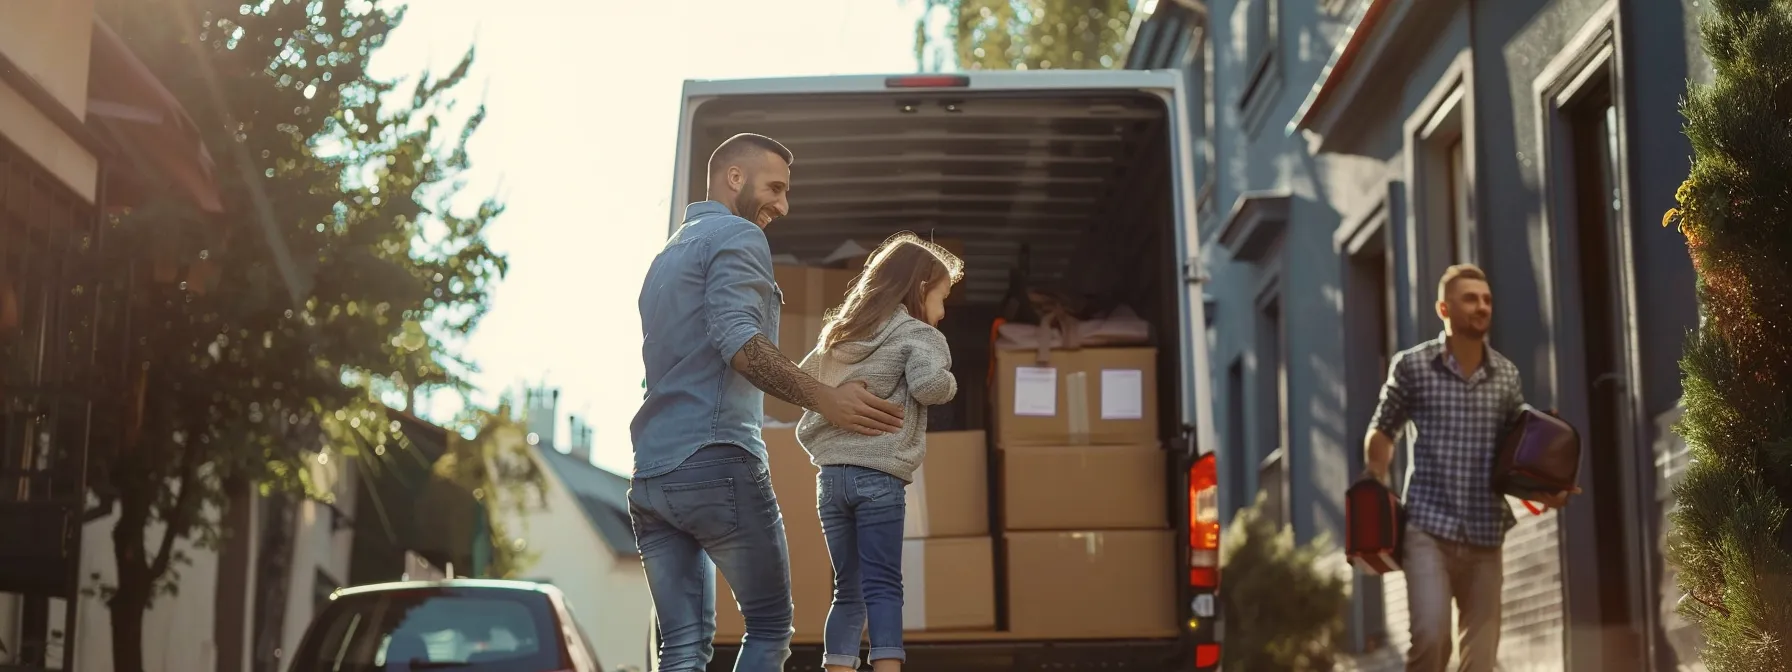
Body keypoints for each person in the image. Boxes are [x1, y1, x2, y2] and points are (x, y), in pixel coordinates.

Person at [631, 132, 908, 672]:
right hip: (717, 459)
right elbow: (741, 345)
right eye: (775, 188)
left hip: (651, 477)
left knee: (681, 647)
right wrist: (827, 399)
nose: (783, 205)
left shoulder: (665, 256)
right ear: (735, 177)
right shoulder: (736, 237)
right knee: (768, 628)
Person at [1363, 263, 1580, 672]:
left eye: (1486, 299)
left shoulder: (1505, 377)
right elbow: (1382, 429)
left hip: (1486, 534)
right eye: (1470, 299)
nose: (1481, 307)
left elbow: (1517, 452)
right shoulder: (1412, 366)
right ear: (1443, 309)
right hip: (1427, 528)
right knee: (1431, 638)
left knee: (1480, 659)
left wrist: (1545, 488)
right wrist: (1375, 478)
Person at [794, 233, 963, 672]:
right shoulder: (919, 334)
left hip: (831, 481)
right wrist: (949, 381)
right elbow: (928, 386)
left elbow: (801, 384)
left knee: (846, 590)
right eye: (943, 298)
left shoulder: (840, 335)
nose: (942, 312)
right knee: (884, 585)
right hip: (879, 477)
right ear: (922, 286)